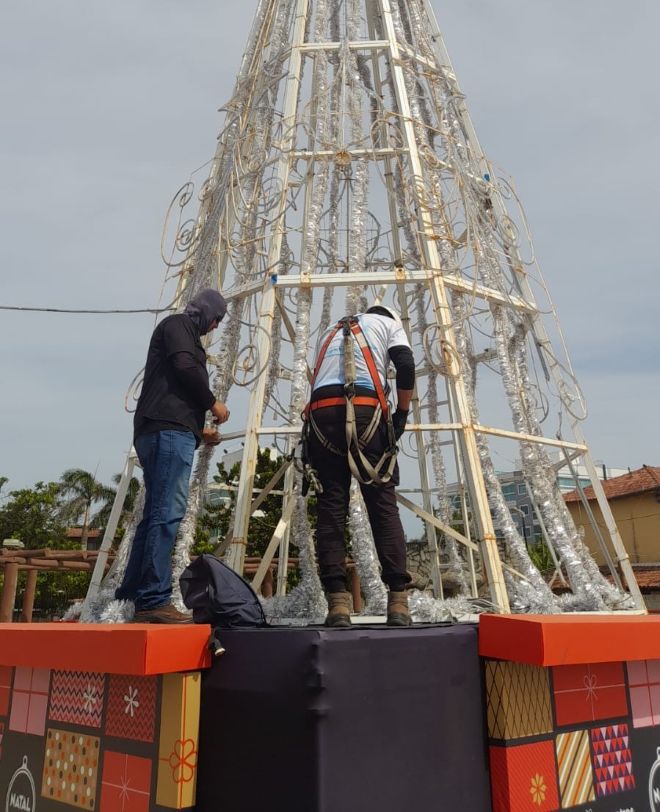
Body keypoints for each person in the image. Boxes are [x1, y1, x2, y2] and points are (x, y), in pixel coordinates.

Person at [116, 288, 230, 623]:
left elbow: (175, 386)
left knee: (155, 514)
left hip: (167, 429)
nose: (215, 328)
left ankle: (131, 595)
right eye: (216, 320)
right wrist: (212, 403)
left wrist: (198, 430)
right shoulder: (179, 325)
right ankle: (153, 599)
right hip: (166, 431)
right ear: (206, 313)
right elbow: (183, 367)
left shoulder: (182, 332)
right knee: (167, 514)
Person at [305, 305, 415, 627]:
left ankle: (338, 603)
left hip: (322, 413)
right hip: (366, 408)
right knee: (382, 504)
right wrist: (402, 414)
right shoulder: (388, 325)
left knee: (331, 508)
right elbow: (405, 366)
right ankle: (397, 600)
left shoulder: (329, 332)